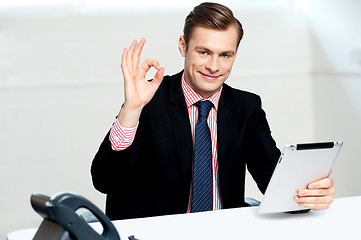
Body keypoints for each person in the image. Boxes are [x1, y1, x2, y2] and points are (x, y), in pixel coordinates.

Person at [91, 2, 336, 220]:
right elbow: (104, 180)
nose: (213, 66)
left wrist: (309, 196)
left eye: (225, 55)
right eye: (204, 52)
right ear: (183, 46)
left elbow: (273, 182)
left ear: (235, 55)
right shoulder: (150, 99)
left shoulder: (246, 107)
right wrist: (132, 109)